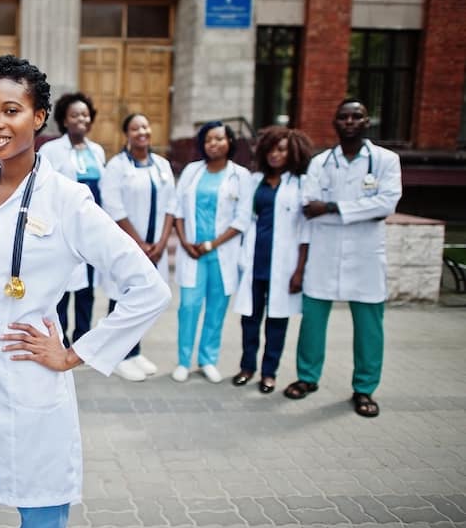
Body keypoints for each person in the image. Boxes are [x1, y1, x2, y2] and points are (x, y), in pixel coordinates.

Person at [0, 55, 171, 528]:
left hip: (28, 395)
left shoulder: (67, 200)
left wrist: (75, 354)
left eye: (10, 110)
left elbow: (149, 288)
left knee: (41, 523)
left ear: (37, 118)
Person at [285, 98, 402, 418]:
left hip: (365, 257)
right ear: (335, 123)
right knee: (312, 321)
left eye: (357, 117)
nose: (350, 122)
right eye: (344, 117)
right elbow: (309, 207)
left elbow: (386, 206)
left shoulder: (385, 161)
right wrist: (358, 211)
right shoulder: (321, 162)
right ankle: (308, 377)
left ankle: (364, 388)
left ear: (367, 122)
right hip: (324, 254)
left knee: (369, 326)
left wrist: (333, 208)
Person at [231, 126, 312, 394]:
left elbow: (305, 231)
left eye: (282, 149)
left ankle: (269, 373)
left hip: (284, 266)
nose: (275, 155)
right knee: (250, 320)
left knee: (277, 321)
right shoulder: (255, 182)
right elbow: (245, 219)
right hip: (255, 262)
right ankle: (247, 367)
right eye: (271, 149)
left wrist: (299, 271)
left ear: (292, 153)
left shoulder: (300, 184)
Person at [172, 121, 252, 384]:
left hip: (222, 254)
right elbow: (178, 210)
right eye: (208, 140)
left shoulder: (240, 175)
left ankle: (208, 360)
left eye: (219, 139)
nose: (213, 144)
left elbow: (241, 220)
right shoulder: (192, 171)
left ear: (230, 142)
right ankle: (183, 361)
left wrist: (211, 245)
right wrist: (184, 242)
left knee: (216, 309)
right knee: (188, 307)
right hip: (192, 253)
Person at [99, 112, 176, 382]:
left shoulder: (162, 165)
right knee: (122, 299)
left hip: (155, 246)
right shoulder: (117, 166)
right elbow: (113, 207)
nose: (141, 131)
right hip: (128, 246)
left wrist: (162, 242)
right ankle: (118, 356)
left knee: (144, 298)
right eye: (135, 128)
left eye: (145, 126)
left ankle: (134, 351)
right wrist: (138, 244)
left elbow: (171, 206)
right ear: (127, 135)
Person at [37, 92, 106, 349]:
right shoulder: (50, 150)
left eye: (85, 114)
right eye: (75, 115)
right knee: (61, 288)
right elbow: (43, 189)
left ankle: (83, 340)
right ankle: (59, 340)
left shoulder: (97, 151)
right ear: (64, 120)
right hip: (62, 230)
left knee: (87, 289)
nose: (81, 119)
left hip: (90, 230)